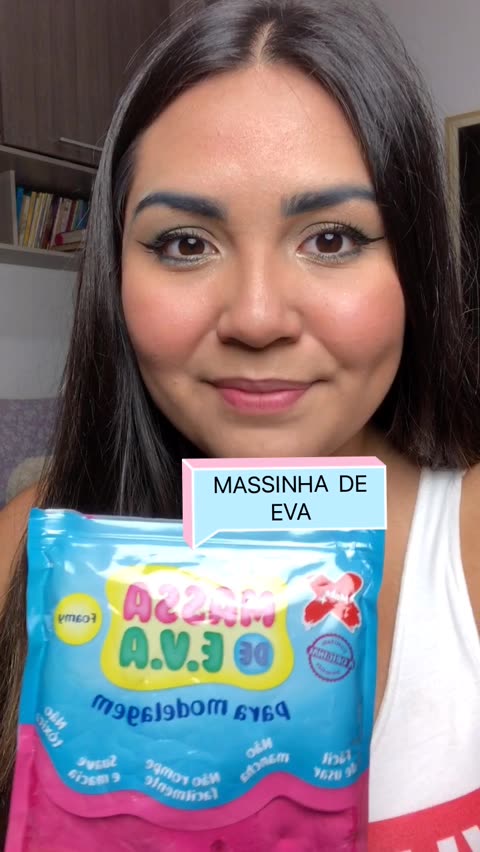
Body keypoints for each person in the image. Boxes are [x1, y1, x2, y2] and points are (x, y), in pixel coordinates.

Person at [1, 0, 479, 847]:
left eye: (331, 239)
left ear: (416, 265)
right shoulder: (22, 551)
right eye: (186, 244)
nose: (257, 318)